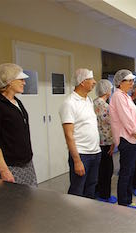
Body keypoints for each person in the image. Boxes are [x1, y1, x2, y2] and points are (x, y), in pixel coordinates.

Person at [0, 63, 37, 186]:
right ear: (9, 81)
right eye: (21, 79)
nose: (24, 83)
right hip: (9, 167)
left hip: (26, 163)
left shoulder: (17, 102)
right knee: (14, 204)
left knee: (30, 201)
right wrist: (3, 170)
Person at [110, 69, 136, 210]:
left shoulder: (124, 96)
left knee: (130, 170)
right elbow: (127, 120)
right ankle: (124, 203)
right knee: (126, 172)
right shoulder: (118, 97)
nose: (133, 83)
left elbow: (134, 118)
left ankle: (127, 200)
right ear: (121, 83)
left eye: (133, 80)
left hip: (131, 138)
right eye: (130, 81)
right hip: (126, 139)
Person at [59, 68, 101, 199]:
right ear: (82, 82)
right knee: (77, 190)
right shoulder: (69, 103)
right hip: (81, 154)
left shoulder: (88, 100)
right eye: (91, 79)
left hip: (95, 152)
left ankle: (87, 216)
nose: (94, 82)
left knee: (91, 186)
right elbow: (69, 135)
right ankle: (73, 218)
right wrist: (77, 161)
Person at [93, 79, 117, 204]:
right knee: (107, 169)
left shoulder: (92, 103)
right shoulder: (107, 107)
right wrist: (114, 143)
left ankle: (97, 191)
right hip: (106, 142)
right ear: (108, 91)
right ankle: (105, 195)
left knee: (98, 168)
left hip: (94, 142)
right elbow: (111, 126)